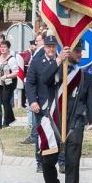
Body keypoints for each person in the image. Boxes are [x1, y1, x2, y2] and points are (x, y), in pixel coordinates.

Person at [38, 40, 92, 183]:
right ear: (67, 52)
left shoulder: (85, 77)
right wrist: (58, 60)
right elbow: (43, 80)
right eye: (76, 51)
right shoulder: (57, 70)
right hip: (54, 123)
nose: (80, 54)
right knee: (47, 161)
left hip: (75, 123)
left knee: (72, 163)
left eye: (81, 51)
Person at [25, 35, 60, 172]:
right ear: (44, 47)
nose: (51, 49)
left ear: (56, 47)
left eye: (53, 46)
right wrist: (33, 101)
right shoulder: (37, 62)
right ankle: (40, 162)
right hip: (42, 105)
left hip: (58, 104)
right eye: (48, 46)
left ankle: (61, 161)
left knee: (59, 134)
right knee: (42, 134)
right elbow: (30, 83)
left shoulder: (62, 62)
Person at [0, 40, 19, 127]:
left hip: (9, 83)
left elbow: (16, 73)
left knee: (5, 101)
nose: (3, 49)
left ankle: (6, 122)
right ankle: (11, 118)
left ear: (8, 48)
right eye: (1, 47)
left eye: (4, 47)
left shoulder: (11, 59)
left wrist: (6, 76)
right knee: (3, 101)